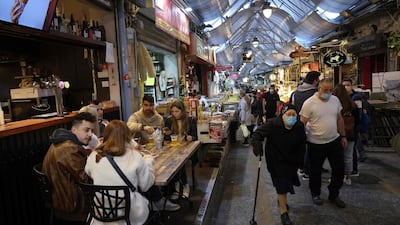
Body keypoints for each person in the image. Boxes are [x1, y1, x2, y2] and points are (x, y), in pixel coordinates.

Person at [85, 120, 155, 225]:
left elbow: (88, 172)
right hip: (129, 214)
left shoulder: (94, 156)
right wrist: (149, 163)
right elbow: (145, 186)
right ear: (127, 136)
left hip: (101, 213)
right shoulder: (134, 156)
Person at [252, 104, 306, 225]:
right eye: (288, 114)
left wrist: (301, 160)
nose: (291, 117)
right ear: (282, 115)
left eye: (294, 114)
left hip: (291, 160)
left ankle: (281, 200)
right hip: (275, 160)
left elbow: (303, 143)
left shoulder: (299, 126)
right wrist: (257, 147)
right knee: (282, 185)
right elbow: (257, 134)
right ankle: (283, 212)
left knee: (286, 183)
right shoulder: (272, 124)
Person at [300, 78, 347, 208]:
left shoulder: (335, 100)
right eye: (325, 90)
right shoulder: (309, 103)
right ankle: (315, 193)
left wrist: (343, 136)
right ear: (319, 89)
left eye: (331, 90)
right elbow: (302, 123)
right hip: (315, 143)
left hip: (334, 141)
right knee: (315, 171)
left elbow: (339, 119)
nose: (328, 92)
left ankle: (334, 194)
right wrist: (303, 141)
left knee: (339, 169)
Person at [42, 112, 97, 222]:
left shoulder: (60, 142)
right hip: (73, 204)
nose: (90, 134)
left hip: (59, 199)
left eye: (92, 130)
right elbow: (86, 181)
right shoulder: (70, 149)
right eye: (86, 130)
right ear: (74, 130)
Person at [163, 100, 197, 199]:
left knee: (180, 161)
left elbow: (195, 136)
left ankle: (184, 186)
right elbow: (166, 138)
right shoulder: (169, 121)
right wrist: (167, 135)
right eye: (173, 111)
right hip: (173, 147)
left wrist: (191, 138)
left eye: (177, 111)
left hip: (186, 147)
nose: (174, 114)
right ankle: (176, 185)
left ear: (182, 111)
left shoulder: (190, 120)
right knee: (170, 161)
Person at [290, 71, 320, 180]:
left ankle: (300, 167)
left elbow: (291, 108)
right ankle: (308, 168)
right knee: (310, 147)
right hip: (312, 124)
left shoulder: (295, 93)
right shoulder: (315, 93)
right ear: (315, 80)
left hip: (297, 123)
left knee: (300, 146)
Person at [333, 84, 359, 185]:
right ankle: (347, 177)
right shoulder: (352, 105)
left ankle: (337, 177)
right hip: (350, 134)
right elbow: (358, 120)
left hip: (336, 134)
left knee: (336, 157)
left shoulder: (334, 105)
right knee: (348, 157)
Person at [343, 79, 368, 177]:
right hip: (347, 126)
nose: (346, 87)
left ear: (352, 86)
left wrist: (355, 125)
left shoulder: (356, 98)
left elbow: (359, 114)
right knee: (351, 148)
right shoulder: (343, 97)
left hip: (353, 126)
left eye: (348, 85)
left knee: (352, 148)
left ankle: (354, 169)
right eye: (344, 85)